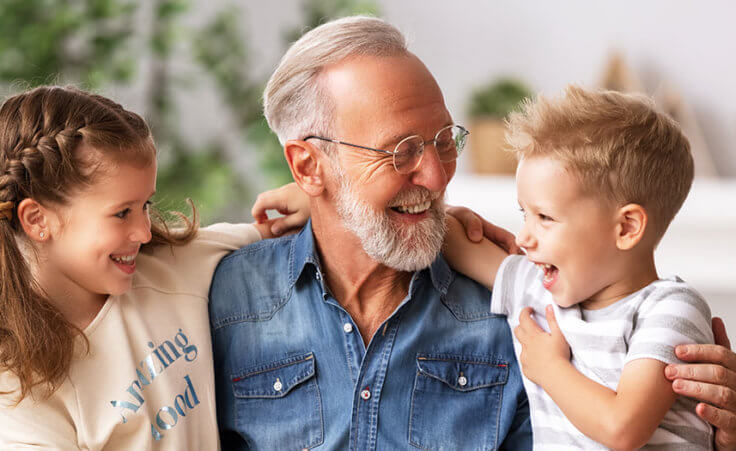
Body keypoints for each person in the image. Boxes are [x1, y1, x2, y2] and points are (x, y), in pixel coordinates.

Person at [211, 15, 736, 451]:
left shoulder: (525, 314)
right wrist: (329, 201)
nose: (438, 177)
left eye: (444, 140)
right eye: (400, 151)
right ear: (307, 167)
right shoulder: (222, 298)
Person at [0, 85, 308, 449]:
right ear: (37, 219)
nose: (144, 232)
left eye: (146, 205)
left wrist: (315, 198)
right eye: (122, 213)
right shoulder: (16, 389)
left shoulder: (174, 265)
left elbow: (280, 226)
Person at [444, 85, 725, 449]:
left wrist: (550, 368)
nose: (525, 237)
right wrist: (452, 214)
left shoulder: (669, 308)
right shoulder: (536, 288)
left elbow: (622, 429)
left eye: (545, 217)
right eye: (523, 214)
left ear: (625, 228)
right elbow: (449, 240)